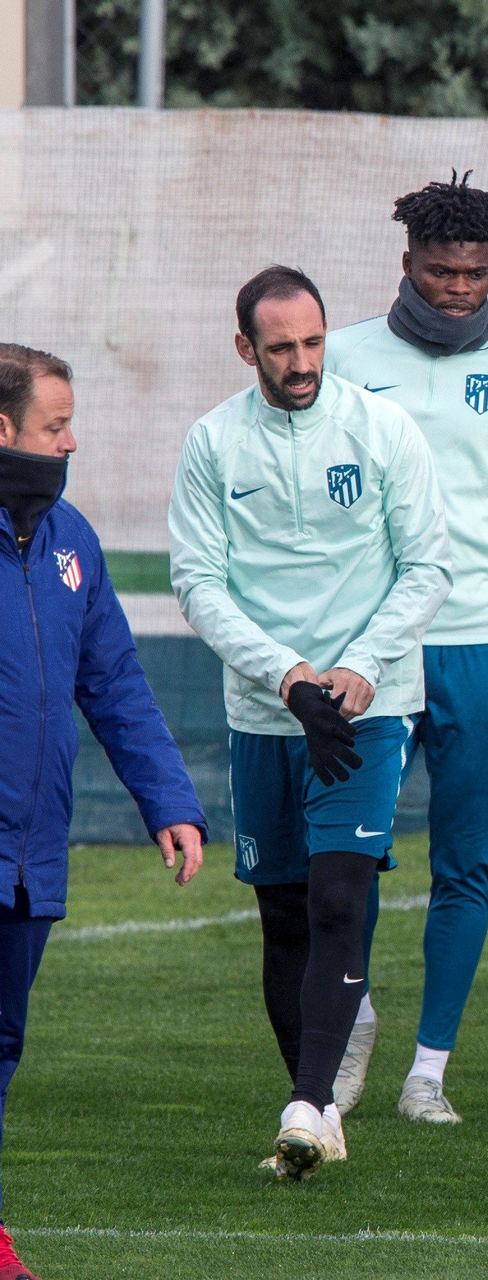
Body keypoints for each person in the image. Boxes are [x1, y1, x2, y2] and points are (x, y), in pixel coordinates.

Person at [168, 267, 452, 1179]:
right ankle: (319, 1106)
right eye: (281, 347)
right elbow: (197, 583)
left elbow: (427, 567)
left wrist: (358, 668)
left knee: (339, 895)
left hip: (367, 705)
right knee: (283, 914)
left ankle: (306, 1101)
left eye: (314, 342)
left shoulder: (382, 429)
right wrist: (284, 675)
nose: (301, 363)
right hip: (264, 711)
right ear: (245, 347)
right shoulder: (212, 443)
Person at [325, 172, 488, 1125]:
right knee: (352, 861)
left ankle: (428, 1071)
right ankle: (348, 1025)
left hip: (481, 640)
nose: (459, 289)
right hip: (374, 648)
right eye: (442, 272)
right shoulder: (343, 357)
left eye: (474, 273)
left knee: (465, 865)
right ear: (407, 264)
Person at [0, 345, 206, 1280]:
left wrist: (168, 800)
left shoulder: (71, 540)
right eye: (55, 427)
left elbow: (114, 680)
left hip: (30, 856)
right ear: (2, 431)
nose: (71, 442)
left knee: (4, 1044)